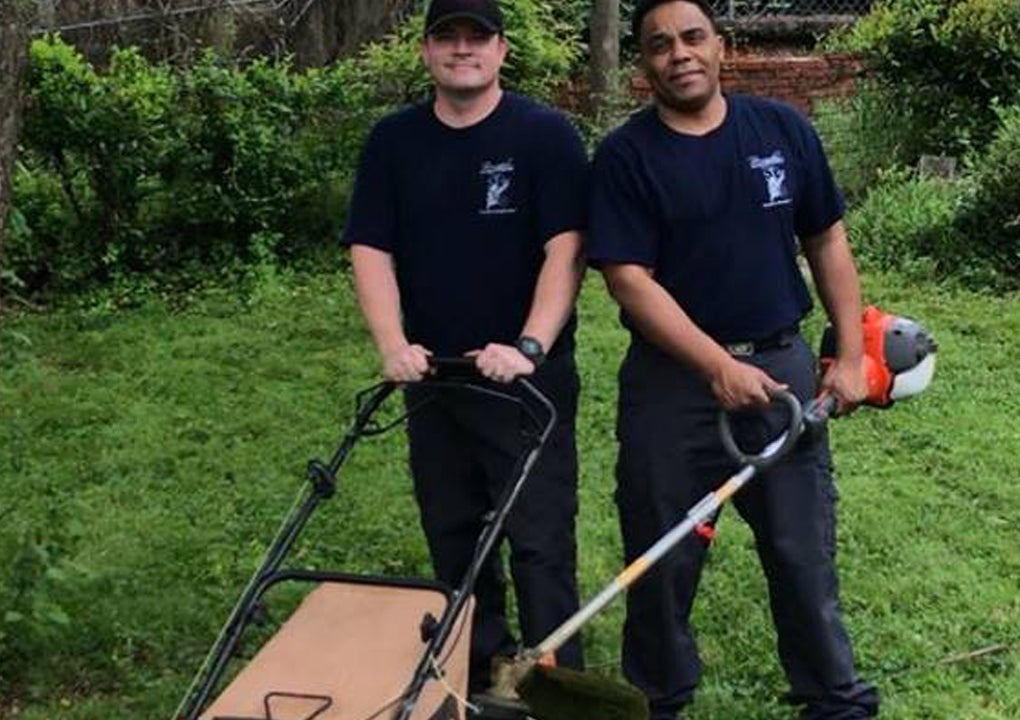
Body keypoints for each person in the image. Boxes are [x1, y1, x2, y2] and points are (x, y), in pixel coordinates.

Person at [586, 1, 881, 719]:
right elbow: (629, 280)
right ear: (644, 65)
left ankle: (833, 700)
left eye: (693, 38)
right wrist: (715, 365)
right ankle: (656, 699)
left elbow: (828, 241)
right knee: (661, 557)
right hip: (672, 387)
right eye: (659, 45)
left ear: (722, 46)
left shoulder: (782, 131)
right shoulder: (626, 157)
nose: (679, 54)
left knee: (801, 551)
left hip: (782, 368)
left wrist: (845, 351)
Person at [342, 0, 588, 693]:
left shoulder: (544, 136)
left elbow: (566, 250)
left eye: (475, 37)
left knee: (539, 540)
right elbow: (370, 247)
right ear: (424, 51)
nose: (461, 50)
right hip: (435, 379)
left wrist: (530, 345)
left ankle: (555, 680)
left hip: (523, 383)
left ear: (502, 50)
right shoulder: (393, 143)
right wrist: (392, 345)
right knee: (453, 534)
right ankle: (477, 668)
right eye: (446, 37)